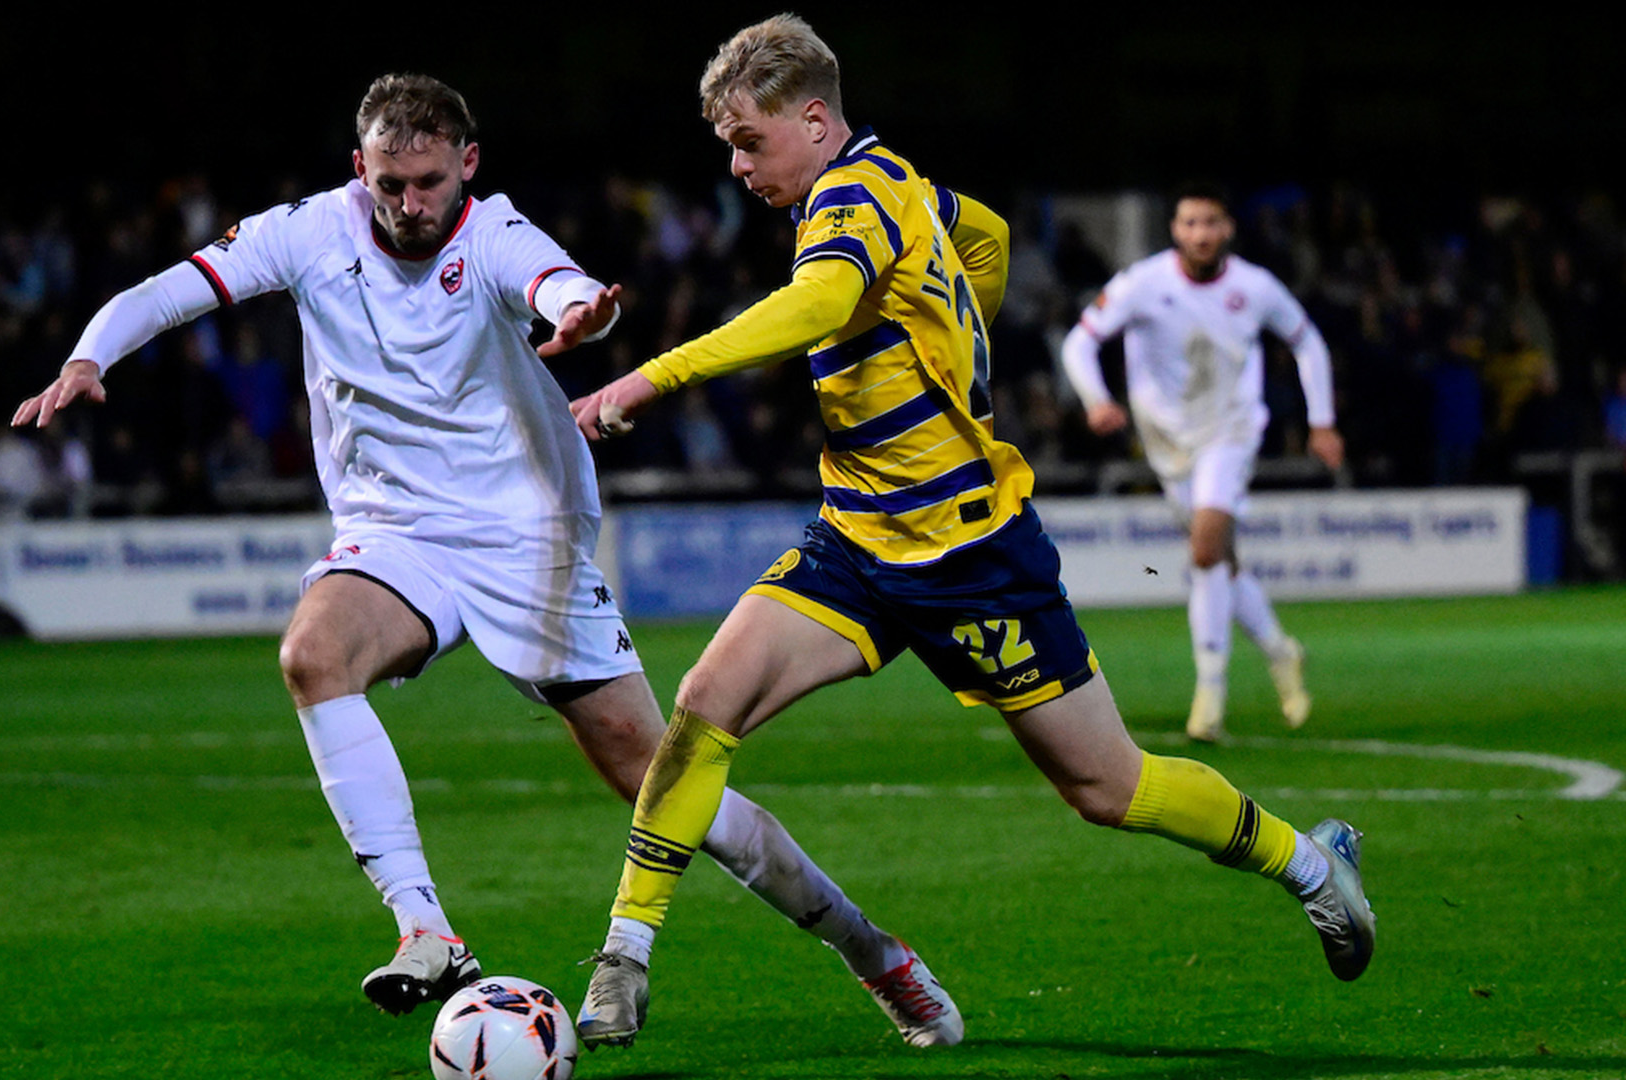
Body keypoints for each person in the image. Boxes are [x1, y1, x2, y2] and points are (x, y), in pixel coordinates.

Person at [13, 74, 940, 1037]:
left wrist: (586, 316)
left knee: (659, 782)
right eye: (389, 185)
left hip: (526, 535)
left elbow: (560, 284)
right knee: (313, 656)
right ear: (358, 170)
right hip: (397, 533)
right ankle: (426, 928)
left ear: (468, 164)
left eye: (427, 183)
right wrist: (89, 358)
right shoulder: (309, 232)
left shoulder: (493, 232)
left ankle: (874, 953)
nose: (409, 206)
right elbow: (171, 290)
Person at [568, 16, 1375, 1049]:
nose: (735, 165)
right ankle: (625, 959)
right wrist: (957, 332)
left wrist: (650, 377)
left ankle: (1311, 865)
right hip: (858, 540)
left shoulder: (850, 204)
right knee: (704, 706)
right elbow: (984, 234)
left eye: (748, 141)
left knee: (1109, 786)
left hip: (973, 556)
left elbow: (820, 300)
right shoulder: (897, 178)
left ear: (814, 121)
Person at [1059, 184, 1343, 741]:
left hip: (1231, 433)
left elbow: (1308, 342)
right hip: (1168, 445)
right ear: (1175, 229)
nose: (1201, 234)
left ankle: (1210, 692)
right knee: (1222, 563)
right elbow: (1079, 343)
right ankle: (1281, 651)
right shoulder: (1144, 283)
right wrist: (1096, 399)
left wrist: (1323, 420)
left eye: (1211, 222)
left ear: (1228, 228)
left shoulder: (1254, 287)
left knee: (1205, 549)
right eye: (1190, 223)